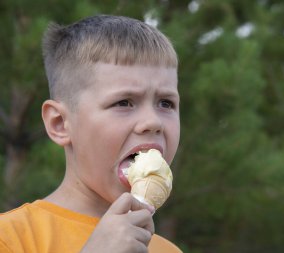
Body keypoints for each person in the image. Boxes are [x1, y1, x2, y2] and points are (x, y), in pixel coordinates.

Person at [0, 15, 182, 253]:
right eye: (124, 102)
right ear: (60, 123)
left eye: (166, 103)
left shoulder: (167, 250)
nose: (153, 121)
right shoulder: (11, 237)